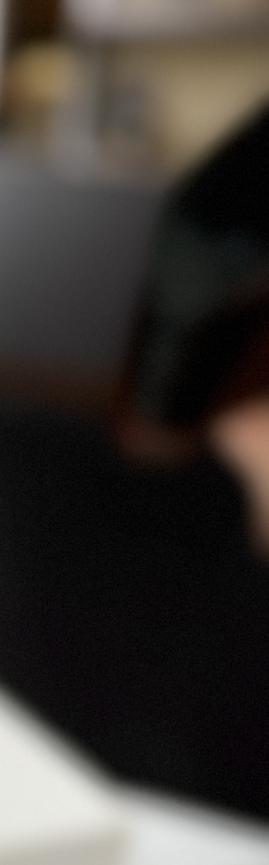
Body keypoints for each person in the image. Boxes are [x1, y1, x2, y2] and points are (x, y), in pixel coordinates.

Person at [118, 101, 269, 546]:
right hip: (207, 232)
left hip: (227, 237)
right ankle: (148, 477)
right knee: (172, 355)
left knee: (192, 352)